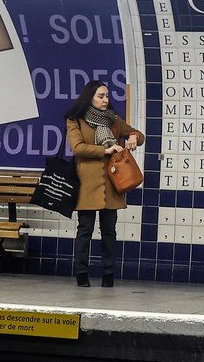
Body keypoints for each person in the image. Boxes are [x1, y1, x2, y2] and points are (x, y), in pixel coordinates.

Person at [66, 80, 144, 288]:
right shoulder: (76, 120)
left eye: (107, 96)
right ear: (89, 97)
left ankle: (108, 273)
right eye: (100, 96)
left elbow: (138, 134)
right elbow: (78, 148)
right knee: (85, 230)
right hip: (87, 184)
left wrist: (134, 138)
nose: (105, 100)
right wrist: (106, 150)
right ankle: (82, 273)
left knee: (109, 231)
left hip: (112, 184)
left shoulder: (113, 120)